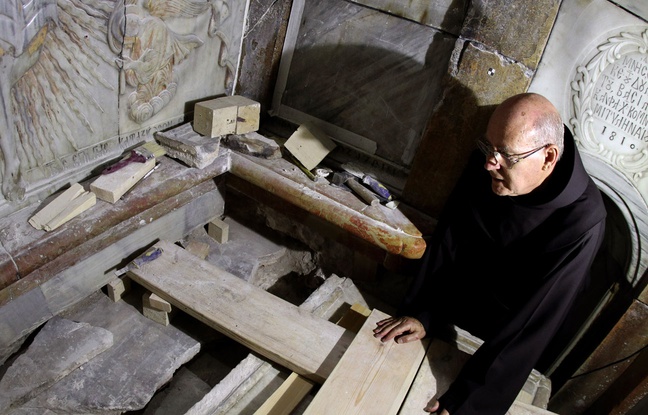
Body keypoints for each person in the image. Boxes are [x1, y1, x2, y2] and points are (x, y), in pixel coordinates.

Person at [373, 93, 606, 415]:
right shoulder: (491, 159)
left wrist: (470, 402)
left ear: (548, 157)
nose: (488, 164)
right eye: (488, 147)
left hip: (511, 322)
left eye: (506, 155)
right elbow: (451, 238)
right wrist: (424, 312)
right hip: (462, 293)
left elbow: (534, 321)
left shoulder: (583, 221)